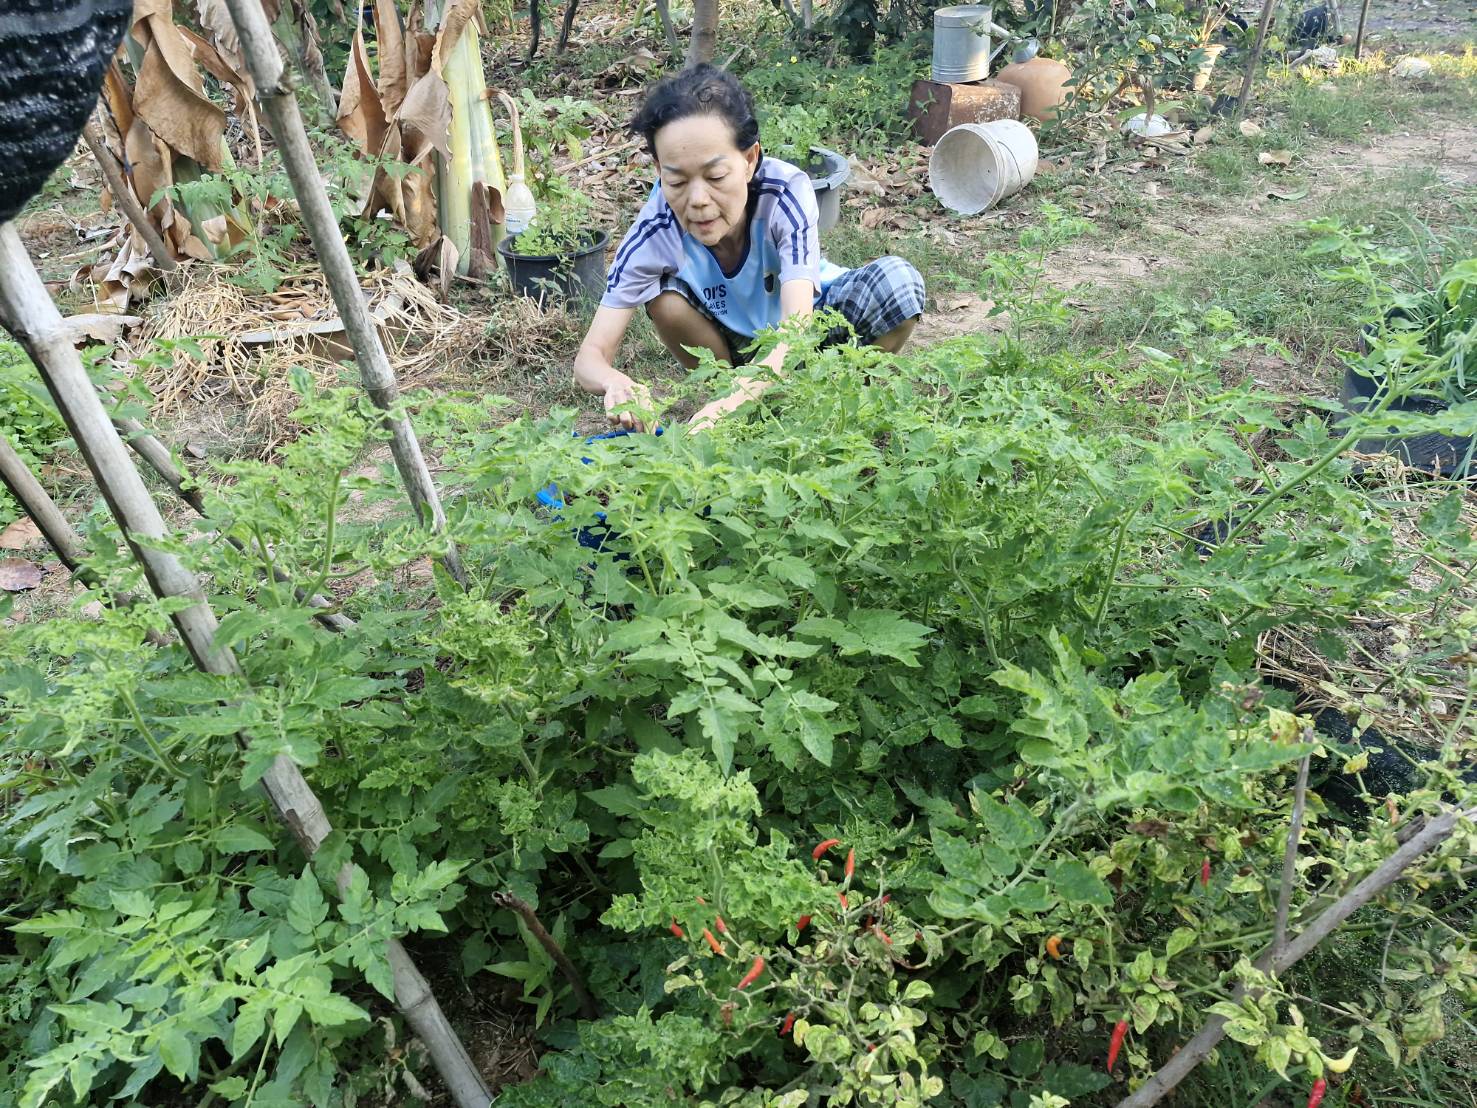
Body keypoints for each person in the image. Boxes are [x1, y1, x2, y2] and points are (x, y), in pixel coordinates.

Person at [573, 64, 925, 432]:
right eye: (676, 180)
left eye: (715, 177)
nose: (697, 200)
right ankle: (734, 399)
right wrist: (616, 382)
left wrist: (733, 405)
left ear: (749, 159)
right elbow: (590, 358)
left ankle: (837, 399)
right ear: (660, 169)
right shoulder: (654, 231)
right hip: (736, 343)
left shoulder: (785, 192)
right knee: (664, 300)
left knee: (898, 284)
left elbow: (797, 332)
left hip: (813, 323)